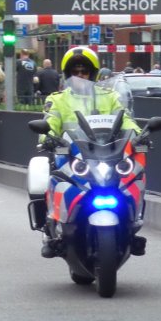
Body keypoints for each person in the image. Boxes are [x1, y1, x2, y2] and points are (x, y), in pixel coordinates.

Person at [35, 47, 140, 257]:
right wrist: (47, 138)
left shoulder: (109, 97)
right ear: (68, 74)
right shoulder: (58, 99)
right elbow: (50, 120)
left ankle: (133, 223)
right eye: (75, 72)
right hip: (71, 156)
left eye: (84, 71)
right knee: (38, 172)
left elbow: (125, 118)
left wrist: (137, 135)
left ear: (92, 73)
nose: (80, 76)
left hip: (105, 154)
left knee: (134, 174)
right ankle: (49, 229)